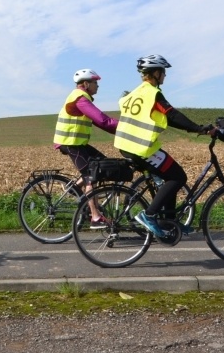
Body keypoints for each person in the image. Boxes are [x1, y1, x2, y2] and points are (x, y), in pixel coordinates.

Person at [114, 55, 215, 238]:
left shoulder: (135, 93)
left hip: (126, 145)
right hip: (140, 147)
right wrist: (199, 128)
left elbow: (168, 118)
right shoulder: (152, 93)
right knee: (177, 177)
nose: (165, 76)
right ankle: (149, 215)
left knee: (170, 177)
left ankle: (169, 222)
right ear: (155, 73)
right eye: (163, 72)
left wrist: (195, 129)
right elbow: (173, 115)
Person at [54, 69, 118, 228]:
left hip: (77, 142)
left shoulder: (83, 99)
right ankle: (95, 217)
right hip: (70, 142)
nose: (98, 86)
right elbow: (103, 121)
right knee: (91, 175)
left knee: (103, 163)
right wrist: (128, 128)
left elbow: (100, 122)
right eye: (96, 83)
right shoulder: (80, 99)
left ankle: (75, 187)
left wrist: (119, 129)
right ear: (86, 84)